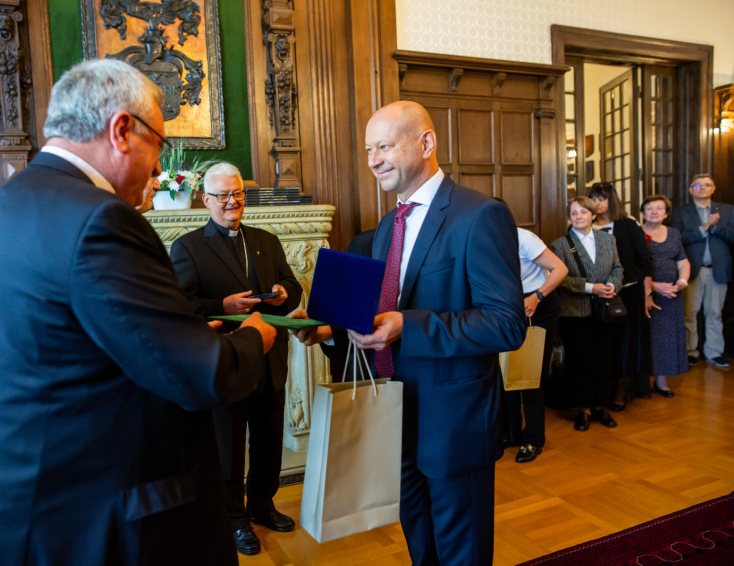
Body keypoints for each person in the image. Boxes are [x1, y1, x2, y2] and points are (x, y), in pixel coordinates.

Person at [0, 59, 277, 566]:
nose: (160, 171)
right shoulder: (101, 219)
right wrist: (253, 338)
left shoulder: (6, 205)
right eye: (158, 145)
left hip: (8, 515)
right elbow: (202, 376)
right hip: (78, 524)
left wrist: (179, 330)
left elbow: (77, 346)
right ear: (121, 130)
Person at [294, 100, 526, 565]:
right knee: (420, 546)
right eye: (368, 150)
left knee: (462, 553)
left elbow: (506, 323)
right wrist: (331, 331)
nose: (373, 160)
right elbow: (383, 314)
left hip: (453, 422)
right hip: (394, 415)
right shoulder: (387, 226)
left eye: (384, 146)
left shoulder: (480, 215)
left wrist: (409, 327)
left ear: (426, 142)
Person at [169, 162, 303, 556]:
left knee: (268, 442)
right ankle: (234, 518)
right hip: (228, 360)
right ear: (206, 199)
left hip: (269, 359)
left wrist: (284, 292)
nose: (233, 201)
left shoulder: (266, 239)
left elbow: (292, 285)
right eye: (224, 195)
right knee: (228, 448)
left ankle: (262, 504)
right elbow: (182, 306)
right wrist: (223, 305)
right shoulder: (188, 247)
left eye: (238, 193)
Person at [551, 196, 624, 432]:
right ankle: (583, 410)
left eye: (583, 212)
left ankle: (601, 406)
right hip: (575, 312)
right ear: (569, 218)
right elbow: (560, 279)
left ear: (593, 215)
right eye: (574, 213)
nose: (578, 216)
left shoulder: (608, 239)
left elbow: (618, 268)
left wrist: (612, 285)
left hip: (605, 310)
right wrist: (591, 288)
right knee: (580, 361)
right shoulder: (560, 244)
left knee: (605, 359)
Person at [504, 226, 568, 463]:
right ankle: (511, 433)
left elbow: (561, 269)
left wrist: (537, 296)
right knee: (506, 372)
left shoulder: (524, 237)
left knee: (530, 375)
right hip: (507, 307)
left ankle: (533, 438)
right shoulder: (483, 238)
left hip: (538, 305)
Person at [588, 182, 654, 406]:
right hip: (596, 293)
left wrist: (647, 294)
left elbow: (644, 261)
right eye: (593, 198)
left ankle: (622, 390)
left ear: (612, 200)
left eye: (602, 198)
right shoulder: (583, 225)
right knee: (603, 343)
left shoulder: (627, 225)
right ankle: (602, 390)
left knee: (626, 342)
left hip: (628, 291)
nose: (597, 203)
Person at [671, 173, 734, 368]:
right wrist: (704, 227)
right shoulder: (680, 213)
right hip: (691, 269)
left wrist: (716, 228)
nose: (702, 188)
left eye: (707, 185)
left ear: (713, 189)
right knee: (689, 313)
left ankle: (714, 352)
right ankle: (690, 352)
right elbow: (677, 239)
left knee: (715, 314)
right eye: (697, 186)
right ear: (691, 190)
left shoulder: (727, 210)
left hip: (718, 269)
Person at [642, 194, 690, 396]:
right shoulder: (637, 233)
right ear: (643, 212)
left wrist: (682, 282)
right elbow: (632, 267)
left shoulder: (674, 233)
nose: (654, 212)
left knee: (667, 338)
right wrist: (654, 286)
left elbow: (683, 261)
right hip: (646, 293)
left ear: (666, 213)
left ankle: (662, 382)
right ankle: (642, 382)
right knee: (648, 337)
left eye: (659, 208)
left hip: (671, 295)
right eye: (649, 208)